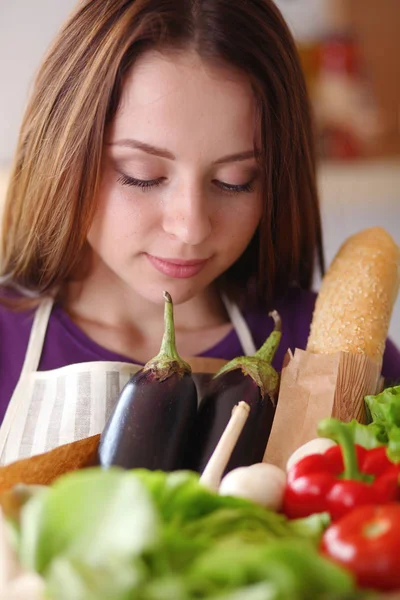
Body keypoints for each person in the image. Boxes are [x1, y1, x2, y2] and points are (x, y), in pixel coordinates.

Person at [0, 0, 398, 465]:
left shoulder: (332, 355)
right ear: (63, 154)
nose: (190, 227)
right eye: (141, 174)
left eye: (235, 181)